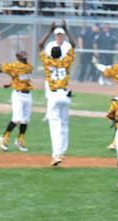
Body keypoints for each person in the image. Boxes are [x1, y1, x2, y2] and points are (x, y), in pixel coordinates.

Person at [39, 22, 76, 167]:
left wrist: (49, 31)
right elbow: (73, 46)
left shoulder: (48, 62)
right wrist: (67, 30)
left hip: (54, 95)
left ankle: (56, 155)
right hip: (65, 95)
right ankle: (62, 151)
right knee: (65, 124)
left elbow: (40, 46)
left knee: (55, 126)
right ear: (61, 54)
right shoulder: (65, 62)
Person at [0, 50, 33, 153]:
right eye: (23, 57)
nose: (25, 58)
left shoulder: (29, 67)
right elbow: (1, 68)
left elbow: (21, 78)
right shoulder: (13, 65)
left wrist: (10, 84)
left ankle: (20, 140)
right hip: (18, 95)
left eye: (26, 56)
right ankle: (4, 137)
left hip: (28, 95)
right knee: (17, 119)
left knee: (25, 120)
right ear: (18, 58)